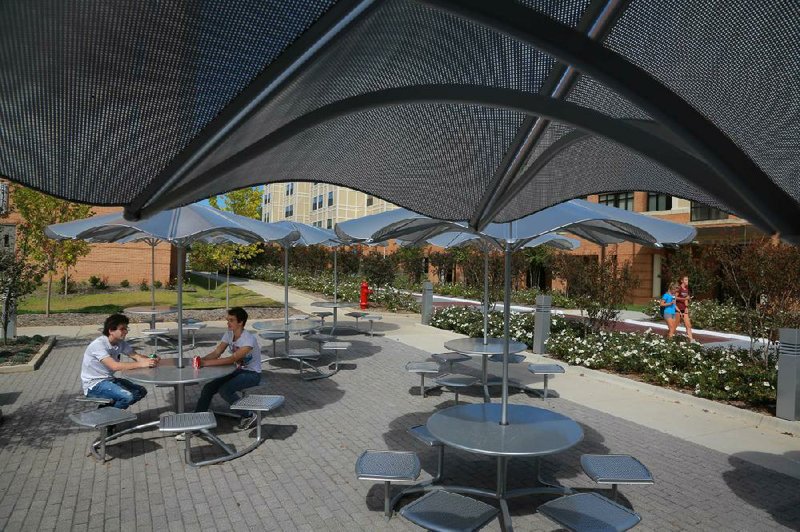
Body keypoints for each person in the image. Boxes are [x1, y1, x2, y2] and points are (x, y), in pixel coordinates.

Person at [194, 307, 262, 431]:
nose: (228, 323)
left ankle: (249, 415)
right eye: (227, 320)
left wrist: (205, 363)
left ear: (240, 322)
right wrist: (200, 360)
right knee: (208, 388)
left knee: (225, 390)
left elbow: (232, 359)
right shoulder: (229, 334)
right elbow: (216, 353)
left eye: (231, 320)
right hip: (236, 370)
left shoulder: (248, 339)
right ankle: (197, 421)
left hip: (252, 374)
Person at [81, 313, 157, 409]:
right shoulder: (99, 345)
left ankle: (105, 411)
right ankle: (107, 419)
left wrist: (150, 359)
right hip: (94, 385)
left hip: (109, 380)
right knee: (127, 397)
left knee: (140, 391)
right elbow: (114, 366)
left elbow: (136, 356)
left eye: (126, 328)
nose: (126, 332)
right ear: (111, 331)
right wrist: (141, 364)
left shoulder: (120, 343)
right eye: (122, 329)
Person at [675, 275, 694, 342]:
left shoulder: (687, 289)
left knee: (688, 325)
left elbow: (686, 299)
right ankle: (668, 338)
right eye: (685, 280)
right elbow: (674, 298)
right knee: (674, 326)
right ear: (682, 281)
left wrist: (687, 307)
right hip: (677, 309)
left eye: (687, 280)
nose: (687, 281)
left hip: (684, 309)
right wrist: (684, 298)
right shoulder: (679, 288)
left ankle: (691, 340)